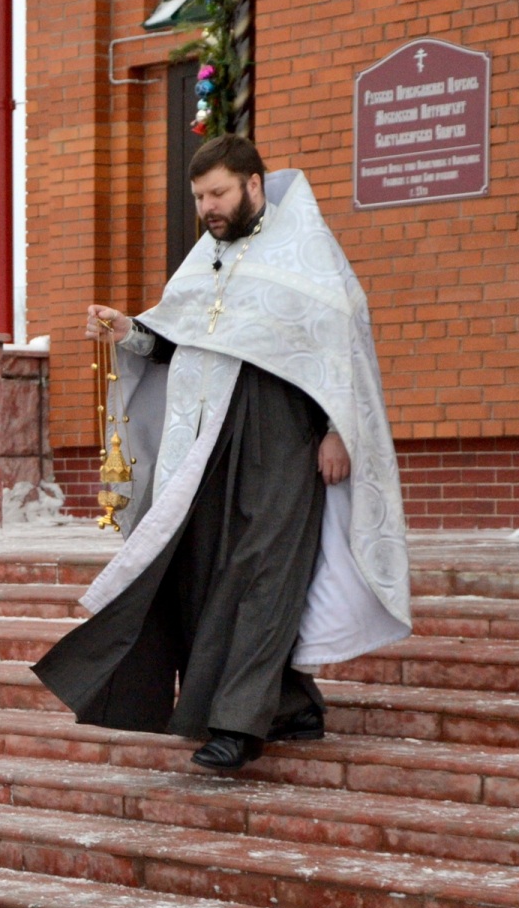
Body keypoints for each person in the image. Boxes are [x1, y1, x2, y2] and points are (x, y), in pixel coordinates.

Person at [33, 137, 412, 772]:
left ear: (254, 185)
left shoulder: (307, 253)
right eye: (199, 197)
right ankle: (292, 704)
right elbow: (180, 341)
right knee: (208, 570)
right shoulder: (206, 259)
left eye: (218, 193)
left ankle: (239, 726)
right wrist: (128, 331)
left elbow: (339, 348)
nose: (207, 207)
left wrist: (339, 432)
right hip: (210, 439)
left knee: (265, 573)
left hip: (286, 433)